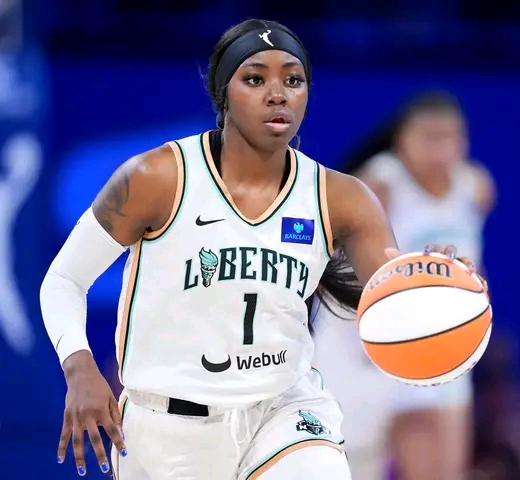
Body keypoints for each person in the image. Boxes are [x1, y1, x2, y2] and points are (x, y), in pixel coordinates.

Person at [39, 20, 482, 480]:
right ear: (223, 93)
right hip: (168, 425)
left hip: (285, 410)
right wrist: (79, 367)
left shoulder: (340, 197)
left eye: (293, 80)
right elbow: (64, 280)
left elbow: (393, 296)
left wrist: (433, 284)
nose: (278, 94)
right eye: (255, 79)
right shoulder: (157, 178)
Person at [312, 91, 496, 480]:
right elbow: (338, 264)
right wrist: (413, 280)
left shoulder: (476, 187)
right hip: (361, 347)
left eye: (450, 138)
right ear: (402, 140)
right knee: (348, 469)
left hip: (434, 340)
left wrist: (469, 295)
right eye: (429, 137)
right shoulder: (379, 183)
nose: (440, 150)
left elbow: (474, 262)